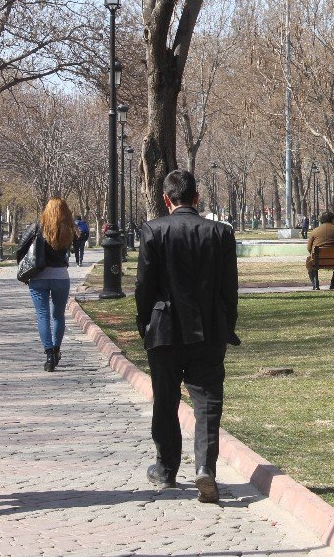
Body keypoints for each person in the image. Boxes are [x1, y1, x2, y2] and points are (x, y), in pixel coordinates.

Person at [135, 169, 239, 504]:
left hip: (164, 329)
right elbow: (229, 289)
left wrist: (145, 326)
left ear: (167, 200)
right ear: (196, 198)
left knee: (165, 400)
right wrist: (227, 325)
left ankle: (166, 469)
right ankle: (205, 468)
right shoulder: (220, 233)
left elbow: (143, 288)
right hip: (208, 330)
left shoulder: (153, 231)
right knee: (208, 402)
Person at [17, 198, 76, 372]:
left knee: (42, 315)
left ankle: (49, 355)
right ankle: (57, 350)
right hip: (61, 277)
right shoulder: (69, 229)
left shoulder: (37, 227)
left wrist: (24, 267)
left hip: (38, 276)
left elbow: (21, 247)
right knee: (58, 315)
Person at [306, 211, 334, 290]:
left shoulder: (315, 231)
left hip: (318, 260)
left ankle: (315, 285)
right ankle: (333, 284)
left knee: (309, 261)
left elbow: (309, 248)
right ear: (332, 219)